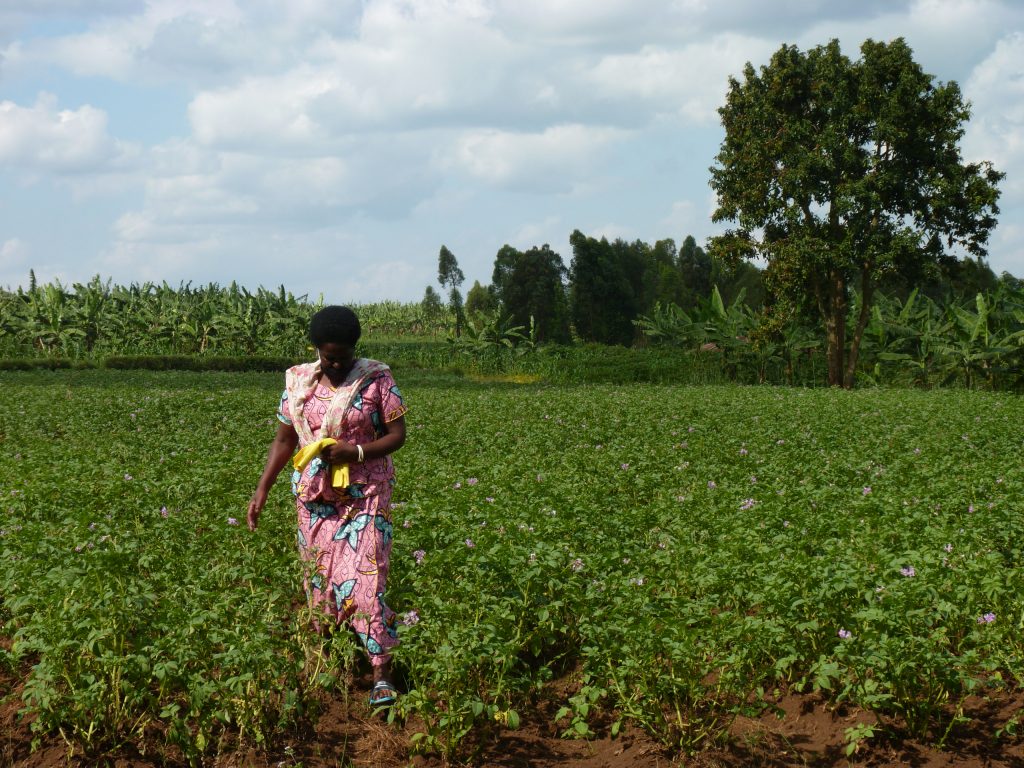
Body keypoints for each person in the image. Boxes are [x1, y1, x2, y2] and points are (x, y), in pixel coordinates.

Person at [247, 305, 407, 707]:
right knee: (320, 584)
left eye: (343, 355)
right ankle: (329, 661)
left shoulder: (377, 379)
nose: (336, 364)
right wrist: (262, 488)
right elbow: (285, 440)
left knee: (368, 578)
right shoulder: (299, 382)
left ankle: (381, 672)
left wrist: (355, 451)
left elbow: (397, 435)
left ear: (355, 348)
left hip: (366, 494)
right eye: (328, 356)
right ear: (316, 348)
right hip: (314, 498)